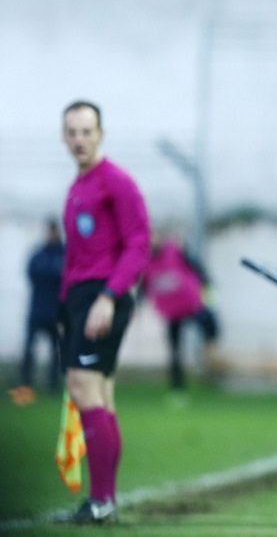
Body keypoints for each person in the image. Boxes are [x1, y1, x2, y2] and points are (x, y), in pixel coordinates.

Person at [59, 100, 151, 523]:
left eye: (86, 131)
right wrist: (65, 306)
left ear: (101, 134)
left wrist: (109, 297)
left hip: (103, 296)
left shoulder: (116, 182)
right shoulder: (78, 186)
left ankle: (100, 501)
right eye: (72, 132)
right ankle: (104, 501)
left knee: (84, 386)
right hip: (82, 297)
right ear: (64, 136)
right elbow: (77, 256)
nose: (79, 139)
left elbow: (138, 244)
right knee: (100, 394)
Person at [142, 231, 221, 391]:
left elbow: (197, 268)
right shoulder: (145, 261)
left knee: (210, 325)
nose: (151, 241)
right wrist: (137, 305)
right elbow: (144, 286)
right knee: (175, 350)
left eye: (153, 237)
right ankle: (177, 387)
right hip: (171, 311)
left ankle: (210, 356)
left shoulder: (175, 250)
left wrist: (207, 284)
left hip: (191, 304)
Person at [9, 217, 65, 405]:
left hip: (56, 312)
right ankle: (26, 383)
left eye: (54, 231)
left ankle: (53, 385)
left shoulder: (65, 254)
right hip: (37, 311)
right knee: (29, 348)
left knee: (56, 351)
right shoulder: (38, 254)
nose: (51, 234)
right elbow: (32, 275)